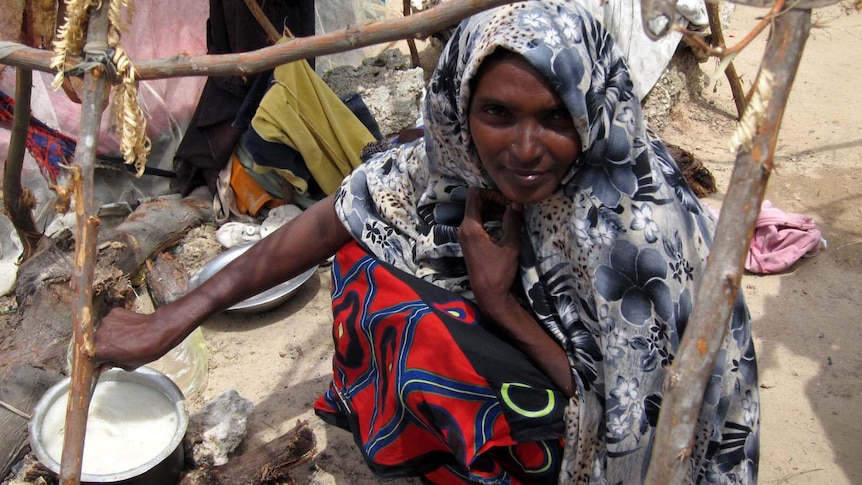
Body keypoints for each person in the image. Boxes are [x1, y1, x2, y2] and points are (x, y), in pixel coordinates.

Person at [94, 1, 760, 483]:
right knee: (366, 254)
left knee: (428, 345)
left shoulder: (634, 230)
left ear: (589, 108)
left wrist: (501, 308)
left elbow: (636, 415)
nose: (525, 149)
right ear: (464, 106)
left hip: (625, 422)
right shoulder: (458, 151)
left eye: (555, 117)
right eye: (498, 113)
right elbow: (340, 213)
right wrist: (176, 316)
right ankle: (436, 455)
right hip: (548, 340)